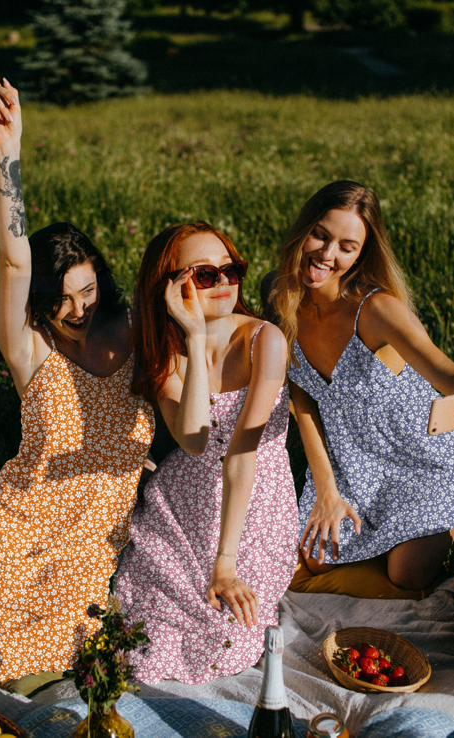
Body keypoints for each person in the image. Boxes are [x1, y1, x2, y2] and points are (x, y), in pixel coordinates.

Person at [0, 61, 155, 683]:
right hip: (18, 525)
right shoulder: (29, 348)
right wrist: (10, 151)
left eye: (87, 290)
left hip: (88, 541)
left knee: (78, 656)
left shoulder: (136, 331)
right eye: (61, 299)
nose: (79, 310)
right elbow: (12, 261)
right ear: (39, 302)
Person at [115, 221, 299, 684]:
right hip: (185, 497)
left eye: (230, 271)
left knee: (226, 637)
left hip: (253, 504)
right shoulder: (166, 350)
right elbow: (194, 440)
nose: (223, 284)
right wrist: (195, 341)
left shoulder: (265, 341)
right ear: (171, 288)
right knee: (142, 636)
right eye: (204, 275)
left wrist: (226, 564)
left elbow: (242, 456)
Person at [265, 179, 454, 591]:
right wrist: (326, 489)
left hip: (422, 460)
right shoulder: (281, 297)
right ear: (304, 229)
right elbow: (301, 403)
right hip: (353, 466)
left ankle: (445, 523)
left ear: (360, 255)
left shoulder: (376, 309)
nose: (327, 254)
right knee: (317, 560)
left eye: (346, 247)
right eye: (320, 235)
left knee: (405, 574)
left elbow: (449, 376)